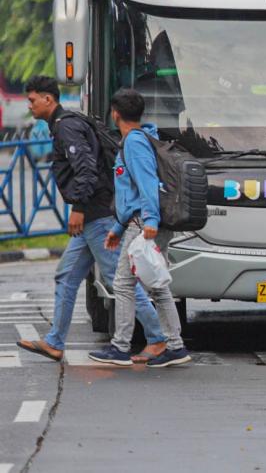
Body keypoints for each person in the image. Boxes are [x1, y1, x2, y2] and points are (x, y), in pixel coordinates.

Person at [15, 77, 168, 365]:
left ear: (49, 99)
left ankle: (160, 337)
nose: (30, 105)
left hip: (96, 216)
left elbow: (86, 169)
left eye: (33, 100)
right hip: (93, 218)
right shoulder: (65, 124)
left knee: (118, 279)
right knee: (67, 275)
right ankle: (54, 342)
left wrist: (79, 207)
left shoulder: (67, 126)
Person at [88, 89, 191, 368]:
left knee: (123, 283)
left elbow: (147, 185)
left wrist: (150, 222)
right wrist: (118, 228)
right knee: (157, 284)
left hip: (143, 224)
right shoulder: (139, 139)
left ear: (115, 113)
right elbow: (130, 193)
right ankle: (176, 346)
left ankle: (120, 347)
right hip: (137, 222)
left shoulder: (134, 143)